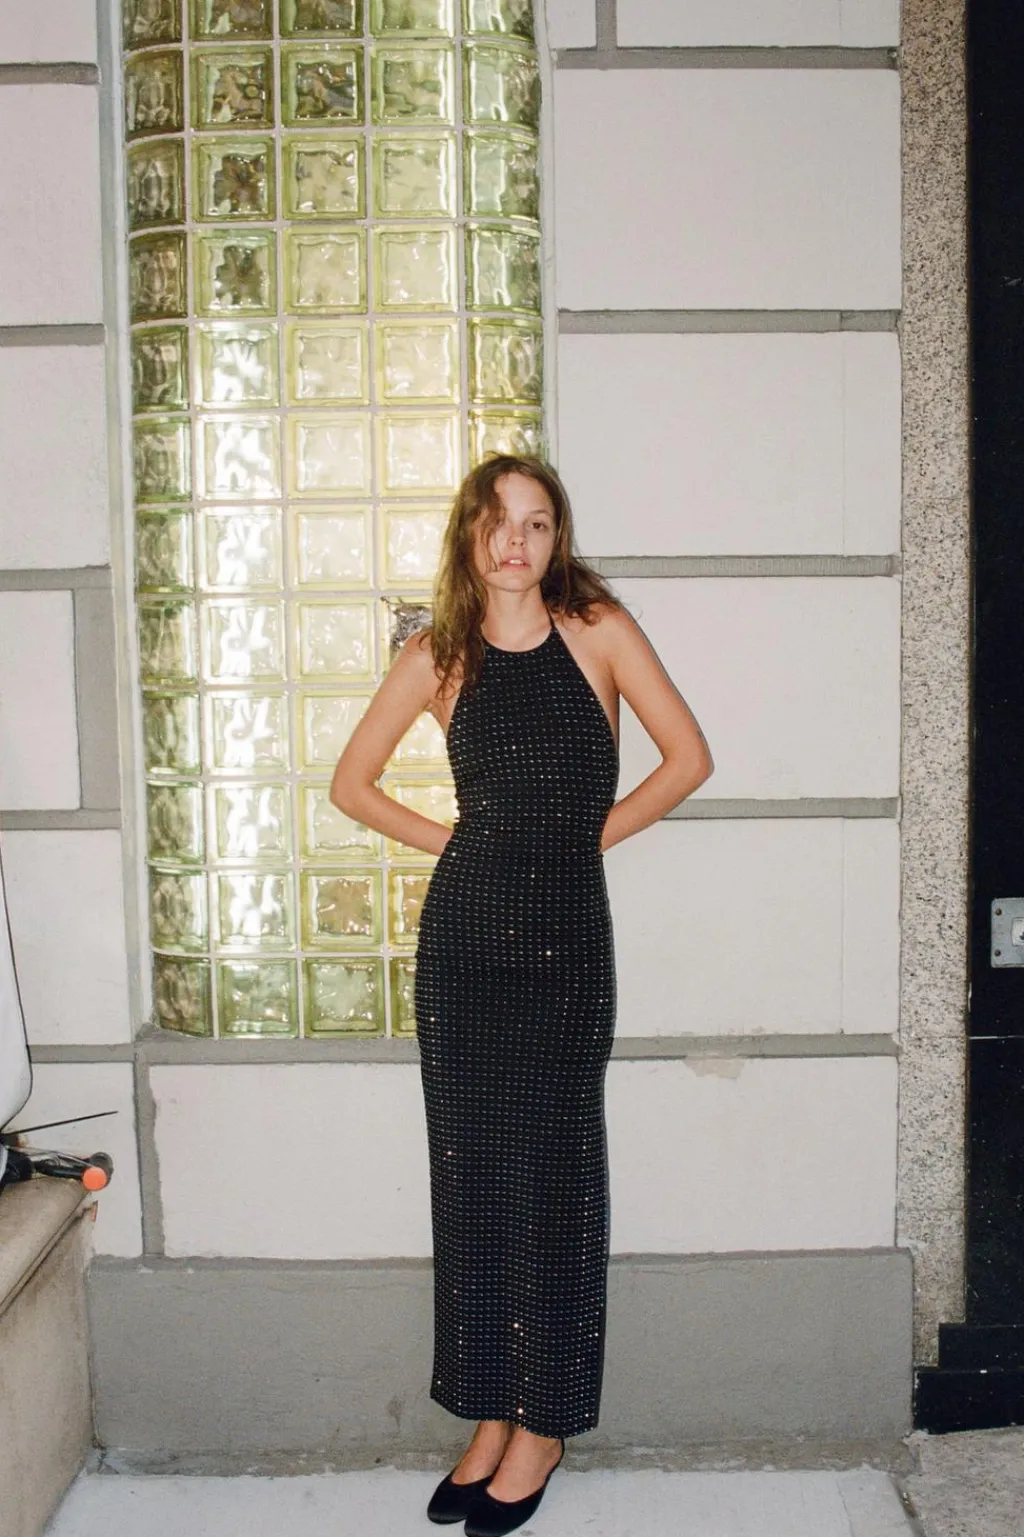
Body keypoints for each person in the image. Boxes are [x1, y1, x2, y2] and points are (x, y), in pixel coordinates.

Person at [330, 454, 713, 1534]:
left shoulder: (598, 630)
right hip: (463, 948)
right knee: (474, 1184)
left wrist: (580, 841)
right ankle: (492, 1412)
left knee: (557, 1180)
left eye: (536, 524)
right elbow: (350, 785)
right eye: (497, 522)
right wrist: (461, 844)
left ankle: (545, 1423)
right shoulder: (437, 654)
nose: (515, 542)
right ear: (469, 535)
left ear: (557, 539)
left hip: (563, 949)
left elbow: (688, 758)